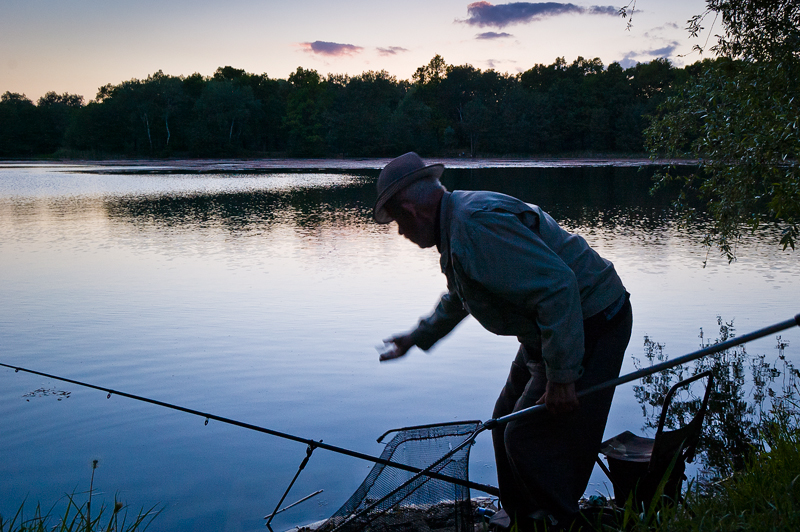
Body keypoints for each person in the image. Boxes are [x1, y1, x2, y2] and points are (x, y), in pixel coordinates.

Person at [375, 152, 633, 529]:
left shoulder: (474, 225)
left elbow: (559, 289)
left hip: (591, 319)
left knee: (526, 436)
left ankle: (563, 522)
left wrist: (562, 377)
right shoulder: (456, 226)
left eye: (398, 222)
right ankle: (521, 516)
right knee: (503, 420)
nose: (401, 233)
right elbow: (461, 297)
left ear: (413, 210)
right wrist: (417, 336)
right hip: (546, 329)